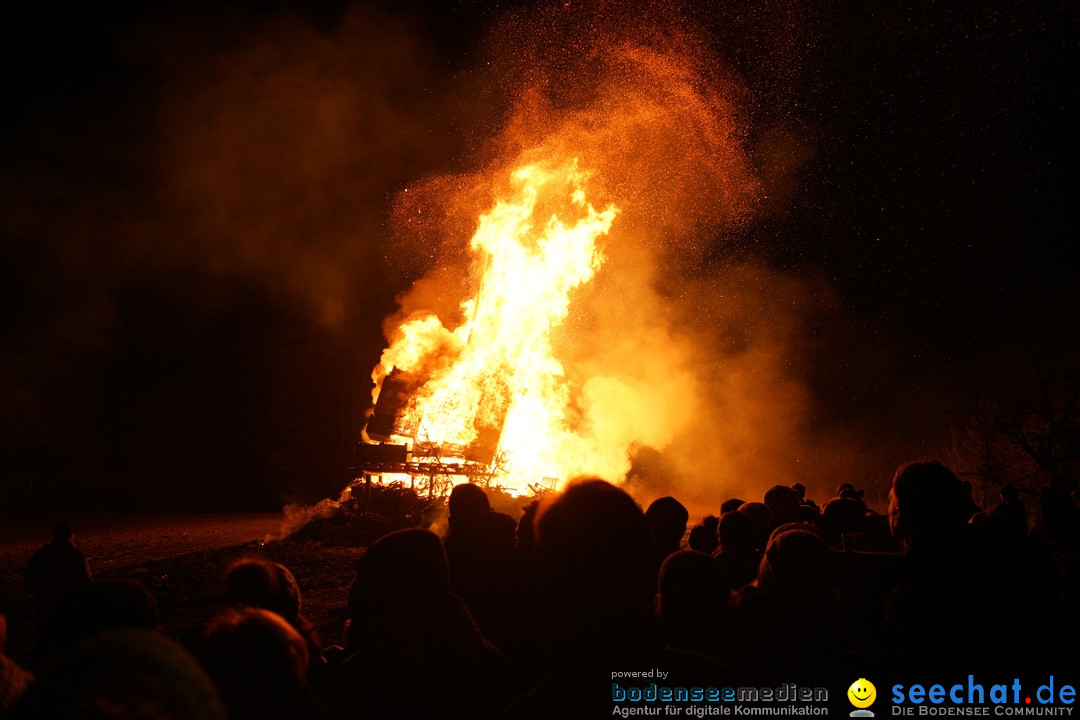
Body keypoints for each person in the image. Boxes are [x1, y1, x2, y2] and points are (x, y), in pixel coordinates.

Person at [23, 521, 92, 669]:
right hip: (69, 610)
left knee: (42, 645)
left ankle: (32, 679)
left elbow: (29, 576)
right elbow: (86, 581)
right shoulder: (76, 555)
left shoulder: (42, 553)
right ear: (71, 536)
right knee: (67, 647)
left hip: (45, 608)